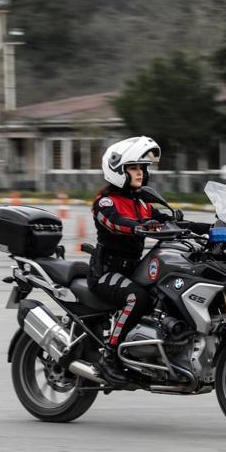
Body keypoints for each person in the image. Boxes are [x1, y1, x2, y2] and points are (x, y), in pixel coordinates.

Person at [88, 136, 210, 383]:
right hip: (106, 272)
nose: (140, 172)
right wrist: (141, 227)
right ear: (117, 170)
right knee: (137, 298)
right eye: (133, 167)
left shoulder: (142, 203)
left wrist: (212, 228)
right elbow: (116, 223)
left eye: (142, 168)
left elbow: (171, 222)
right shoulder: (105, 202)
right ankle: (109, 357)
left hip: (133, 270)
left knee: (165, 293)